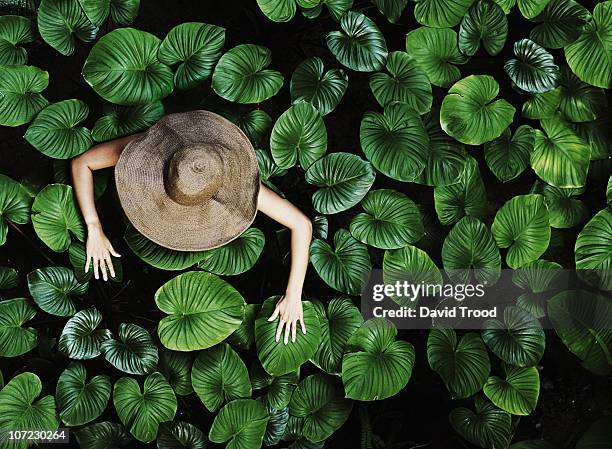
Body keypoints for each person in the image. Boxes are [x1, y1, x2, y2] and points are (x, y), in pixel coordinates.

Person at [71, 110, 312, 344]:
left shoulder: (230, 180)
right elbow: (82, 163)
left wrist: (293, 294)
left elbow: (301, 224)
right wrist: (94, 227)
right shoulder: (148, 151)